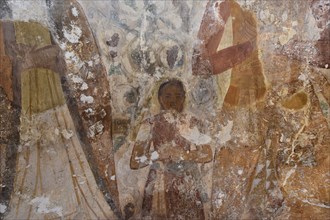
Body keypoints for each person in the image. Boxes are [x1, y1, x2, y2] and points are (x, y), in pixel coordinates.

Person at [130, 79, 212, 219]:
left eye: (178, 96)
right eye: (168, 96)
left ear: (184, 98)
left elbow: (207, 154)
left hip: (186, 182)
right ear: (160, 98)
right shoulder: (149, 124)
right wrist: (157, 154)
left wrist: (184, 154)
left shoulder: (192, 122)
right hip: (159, 182)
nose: (173, 101)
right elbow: (135, 162)